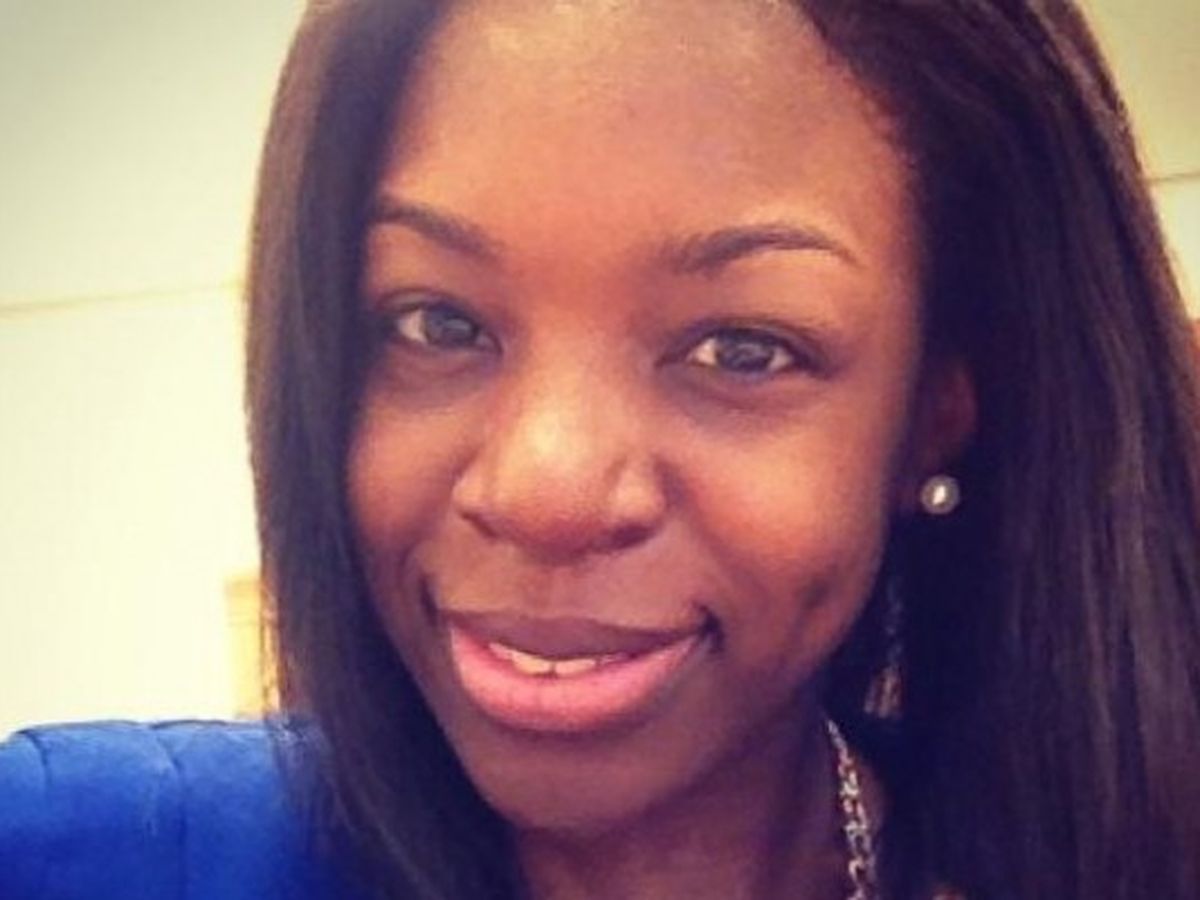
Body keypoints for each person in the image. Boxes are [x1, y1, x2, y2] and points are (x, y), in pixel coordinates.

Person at [2, 1, 1199, 898]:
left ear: (936, 411)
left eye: (740, 348)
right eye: (438, 324)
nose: (547, 487)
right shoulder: (89, 852)